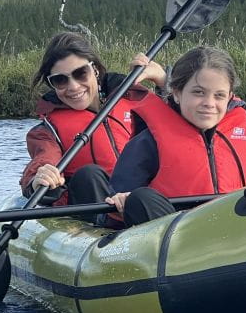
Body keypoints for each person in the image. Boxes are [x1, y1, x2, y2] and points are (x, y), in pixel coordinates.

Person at [99, 46, 246, 228]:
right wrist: (122, 200)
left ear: (230, 97)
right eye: (198, 92)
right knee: (140, 198)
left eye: (219, 95)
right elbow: (117, 197)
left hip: (239, 225)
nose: (209, 103)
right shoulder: (149, 139)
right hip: (181, 235)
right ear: (176, 93)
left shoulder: (239, 132)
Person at [19, 31, 167, 210]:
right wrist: (38, 179)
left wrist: (163, 81)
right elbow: (44, 159)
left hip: (143, 199)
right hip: (96, 207)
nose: (73, 86)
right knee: (89, 174)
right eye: (60, 80)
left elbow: (179, 126)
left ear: (95, 70)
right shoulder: (47, 131)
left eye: (80, 73)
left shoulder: (133, 98)